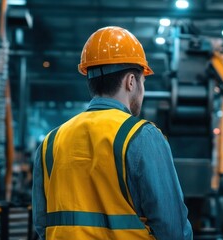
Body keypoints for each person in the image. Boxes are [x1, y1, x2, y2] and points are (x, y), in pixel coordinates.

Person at [32, 26, 193, 240]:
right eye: (143, 81)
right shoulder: (142, 136)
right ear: (131, 81)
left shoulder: (51, 142)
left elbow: (42, 224)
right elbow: (173, 229)